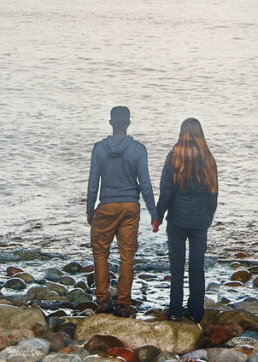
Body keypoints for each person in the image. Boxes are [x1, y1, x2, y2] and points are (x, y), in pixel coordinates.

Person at [85, 104, 156, 313]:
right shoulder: (139, 149)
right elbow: (145, 184)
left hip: (106, 205)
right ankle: (124, 302)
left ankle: (103, 300)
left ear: (110, 123)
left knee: (100, 253)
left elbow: (93, 183)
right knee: (127, 256)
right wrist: (154, 213)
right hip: (130, 207)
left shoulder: (99, 148)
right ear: (128, 123)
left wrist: (90, 209)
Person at [153, 115, 218, 322]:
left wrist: (159, 216)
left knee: (177, 266)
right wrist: (209, 216)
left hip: (178, 221)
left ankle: (175, 311)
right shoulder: (208, 157)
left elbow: (166, 190)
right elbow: (213, 193)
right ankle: (196, 311)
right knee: (197, 266)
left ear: (182, 134)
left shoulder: (174, 156)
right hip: (200, 222)